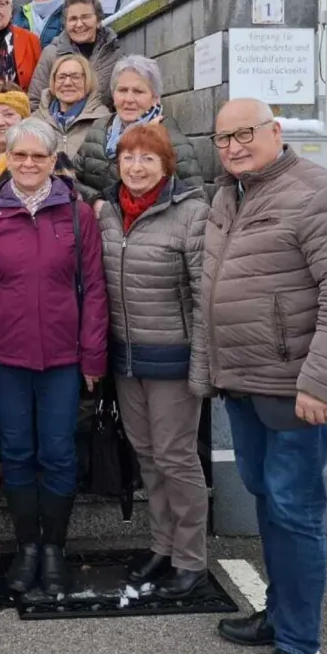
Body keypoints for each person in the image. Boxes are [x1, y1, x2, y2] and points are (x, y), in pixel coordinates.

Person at [196, 98, 327, 654]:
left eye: (245, 133)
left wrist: (322, 382)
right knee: (269, 501)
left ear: (276, 131)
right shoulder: (229, 196)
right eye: (223, 139)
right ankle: (279, 615)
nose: (234, 147)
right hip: (245, 384)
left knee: (294, 509)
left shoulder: (322, 193)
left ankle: (298, 643)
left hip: (298, 391)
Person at [0, 118, 108, 597]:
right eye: (19, 155)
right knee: (18, 452)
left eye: (38, 157)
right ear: (8, 158)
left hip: (64, 358)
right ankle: (27, 546)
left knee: (60, 452)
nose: (27, 164)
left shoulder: (77, 215)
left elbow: (94, 291)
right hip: (7, 357)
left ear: (52, 162)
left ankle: (54, 549)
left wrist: (92, 358)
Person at [97, 124, 210, 600]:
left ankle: (191, 559)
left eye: (147, 159)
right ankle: (162, 545)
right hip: (126, 357)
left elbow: (207, 295)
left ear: (167, 166)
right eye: (128, 158)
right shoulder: (105, 213)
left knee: (176, 458)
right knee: (146, 456)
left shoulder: (191, 214)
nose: (136, 167)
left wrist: (204, 364)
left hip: (174, 358)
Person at [73, 55, 202, 207]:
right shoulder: (99, 128)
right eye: (122, 90)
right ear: (113, 95)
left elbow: (197, 200)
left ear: (155, 98)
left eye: (138, 91)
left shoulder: (170, 138)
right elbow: (70, 180)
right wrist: (94, 201)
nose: (128, 99)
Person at [28, 0, 122, 111]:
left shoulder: (113, 53)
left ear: (98, 20)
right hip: (59, 127)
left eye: (85, 17)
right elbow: (35, 101)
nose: (79, 24)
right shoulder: (52, 53)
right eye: (73, 19)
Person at [33, 53, 111, 158]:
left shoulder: (103, 121)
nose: (67, 83)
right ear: (53, 81)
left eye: (75, 77)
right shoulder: (35, 121)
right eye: (61, 77)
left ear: (87, 80)